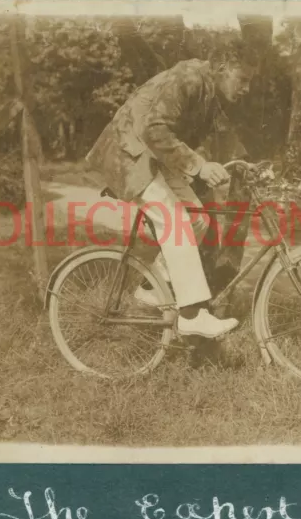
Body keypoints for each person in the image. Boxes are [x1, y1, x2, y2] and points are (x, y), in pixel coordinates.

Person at [85, 45, 256, 339]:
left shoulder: (211, 94)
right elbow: (154, 130)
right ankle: (190, 315)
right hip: (129, 153)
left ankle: (153, 286)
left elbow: (206, 138)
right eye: (242, 79)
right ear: (221, 69)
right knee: (176, 221)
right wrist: (199, 166)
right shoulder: (189, 78)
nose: (247, 89)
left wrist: (244, 166)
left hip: (153, 157)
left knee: (198, 219)